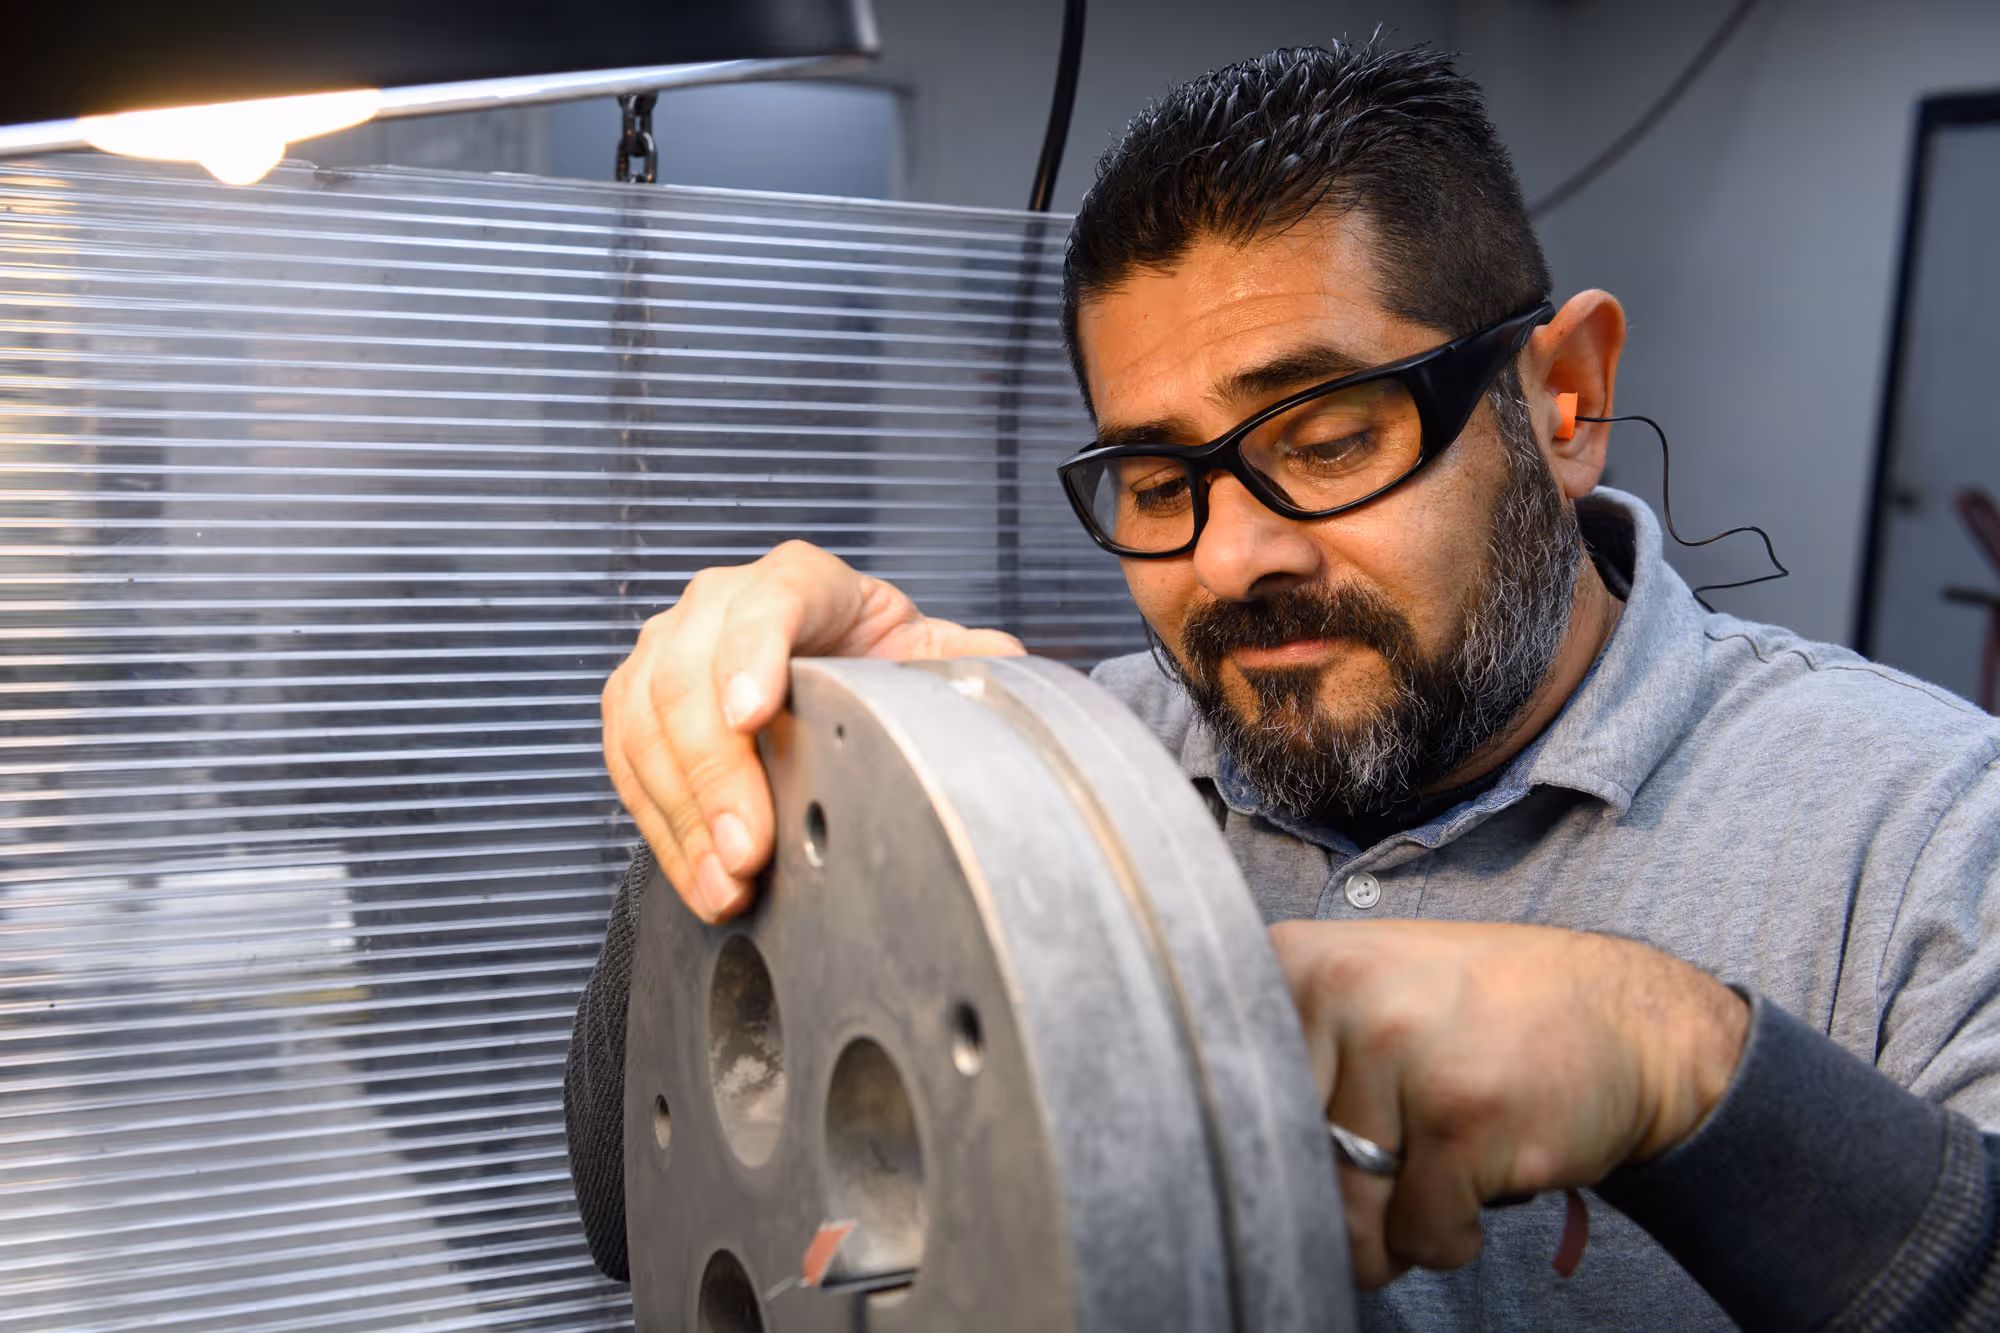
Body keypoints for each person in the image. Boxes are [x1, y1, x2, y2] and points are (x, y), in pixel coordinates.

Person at [564, 38, 2000, 1330]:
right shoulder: (1058, 776)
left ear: (1564, 397)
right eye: (1157, 476)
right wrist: (747, 771)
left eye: (1323, 438)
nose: (1237, 557)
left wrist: (1684, 1064)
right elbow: (644, 1215)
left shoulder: (1933, 834)